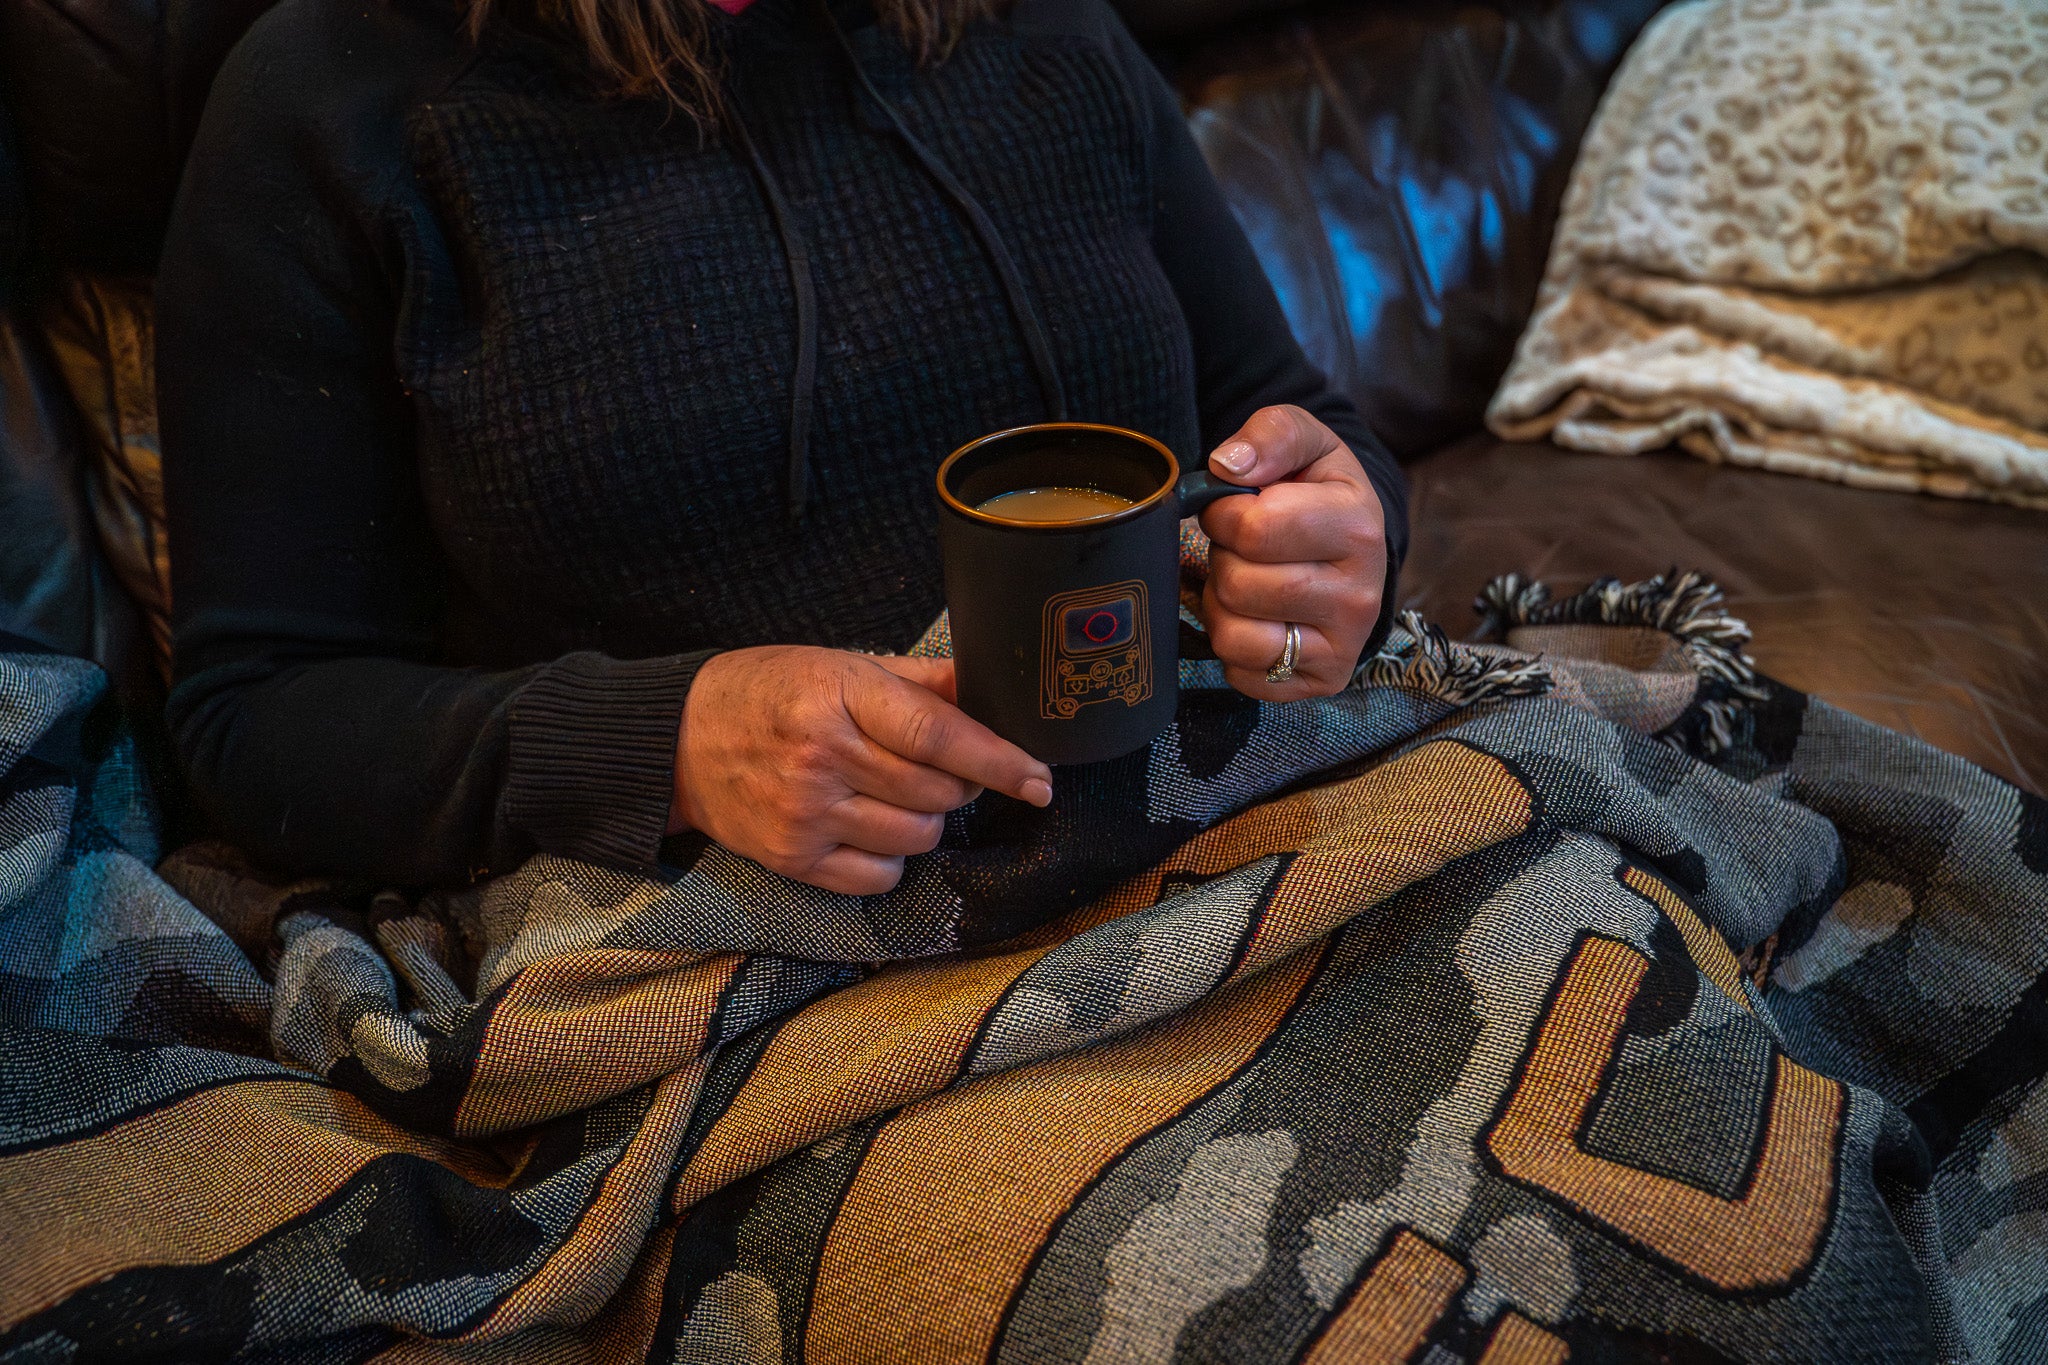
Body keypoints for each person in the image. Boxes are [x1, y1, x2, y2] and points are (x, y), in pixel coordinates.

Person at [156, 0, 1407, 895]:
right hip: (763, 943)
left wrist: (1344, 544)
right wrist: (672, 743)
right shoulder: (333, 90)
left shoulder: (1051, 30)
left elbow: (1292, 417)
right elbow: (254, 713)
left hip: (1224, 813)